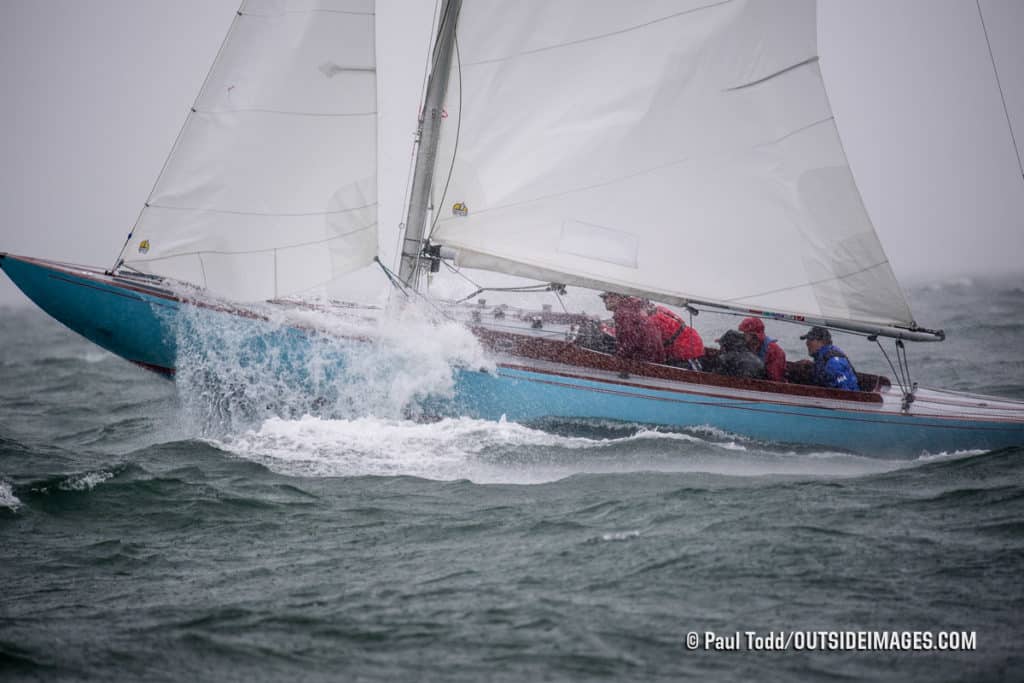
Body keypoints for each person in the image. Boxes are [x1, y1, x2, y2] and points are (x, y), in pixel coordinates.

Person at [600, 292, 665, 363]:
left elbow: (630, 345)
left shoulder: (623, 314)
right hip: (653, 360)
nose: (603, 301)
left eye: (605, 297)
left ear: (617, 297)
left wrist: (613, 360)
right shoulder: (631, 308)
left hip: (645, 364)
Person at [800, 326, 860, 391]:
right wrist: (811, 366)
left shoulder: (833, 363)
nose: (807, 343)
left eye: (810, 339)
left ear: (821, 342)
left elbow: (846, 393)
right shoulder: (823, 358)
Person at [648, 304, 704, 370]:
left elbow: (655, 347)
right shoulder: (660, 308)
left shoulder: (650, 321)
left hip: (685, 350)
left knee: (690, 376)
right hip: (693, 340)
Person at [738, 317, 786, 382]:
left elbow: (775, 379)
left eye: (745, 333)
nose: (743, 335)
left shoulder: (775, 351)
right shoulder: (743, 345)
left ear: (754, 335)